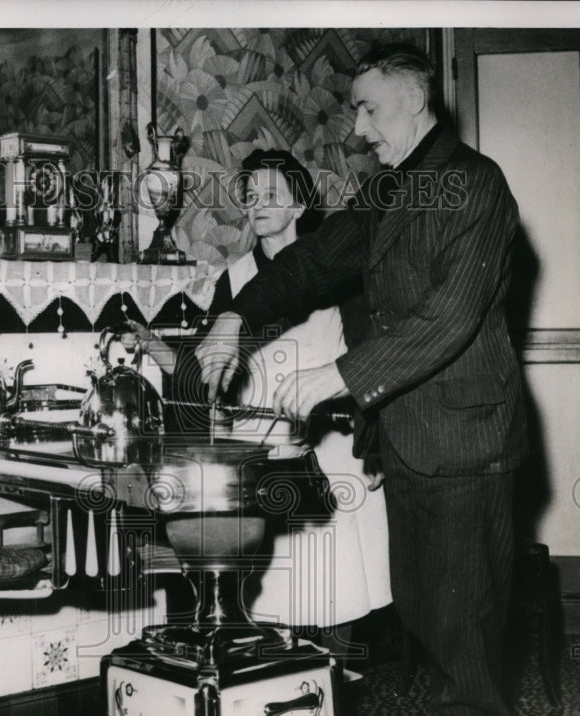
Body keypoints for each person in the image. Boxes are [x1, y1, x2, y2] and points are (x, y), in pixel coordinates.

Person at [194, 42, 528, 716]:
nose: (358, 129)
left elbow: (449, 316)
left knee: (462, 615)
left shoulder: (476, 184)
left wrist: (338, 377)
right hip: (407, 432)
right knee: (422, 604)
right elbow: (312, 262)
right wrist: (234, 317)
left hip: (468, 437)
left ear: (414, 99)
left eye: (369, 108)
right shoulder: (386, 190)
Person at [129, 148, 391, 639]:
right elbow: (209, 370)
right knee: (277, 592)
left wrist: (374, 442)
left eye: (273, 194)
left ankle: (331, 676)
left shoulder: (337, 270)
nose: (257, 204)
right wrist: (155, 348)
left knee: (341, 580)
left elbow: (368, 357)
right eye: (251, 196)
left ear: (299, 206)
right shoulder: (235, 280)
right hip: (264, 445)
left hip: (335, 442)